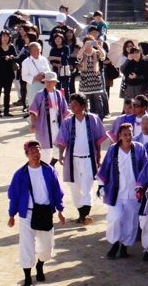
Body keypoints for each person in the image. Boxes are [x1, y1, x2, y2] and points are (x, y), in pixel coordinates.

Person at [7, 140, 66, 286]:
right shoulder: (20, 174)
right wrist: (12, 215)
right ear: (27, 154)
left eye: (37, 151)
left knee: (47, 246)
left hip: (45, 212)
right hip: (27, 213)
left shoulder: (49, 170)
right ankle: (27, 276)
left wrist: (60, 210)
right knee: (26, 245)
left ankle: (40, 264)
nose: (36, 154)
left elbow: (57, 191)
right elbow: (14, 195)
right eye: (32, 152)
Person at [97, 122, 148, 259]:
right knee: (115, 218)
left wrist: (143, 186)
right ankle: (114, 244)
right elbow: (106, 167)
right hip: (116, 192)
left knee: (131, 220)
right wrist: (101, 185)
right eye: (124, 134)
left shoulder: (139, 148)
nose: (127, 137)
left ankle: (125, 246)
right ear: (120, 135)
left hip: (133, 192)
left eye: (129, 134)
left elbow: (145, 169)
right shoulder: (113, 150)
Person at [55, 93, 107, 225]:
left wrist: (99, 156)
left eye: (75, 104)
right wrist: (61, 154)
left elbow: (98, 140)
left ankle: (85, 215)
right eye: (71, 104)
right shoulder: (68, 122)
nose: (72, 107)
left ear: (83, 106)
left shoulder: (93, 119)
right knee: (74, 188)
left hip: (89, 159)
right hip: (73, 160)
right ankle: (81, 214)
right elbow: (62, 140)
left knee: (87, 186)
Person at [28, 71, 70, 165]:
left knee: (59, 147)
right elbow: (33, 112)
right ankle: (44, 168)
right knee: (44, 149)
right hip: (44, 126)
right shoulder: (40, 95)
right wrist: (33, 125)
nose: (48, 83)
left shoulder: (58, 94)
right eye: (46, 81)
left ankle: (51, 165)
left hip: (56, 124)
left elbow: (65, 110)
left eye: (50, 81)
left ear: (55, 82)